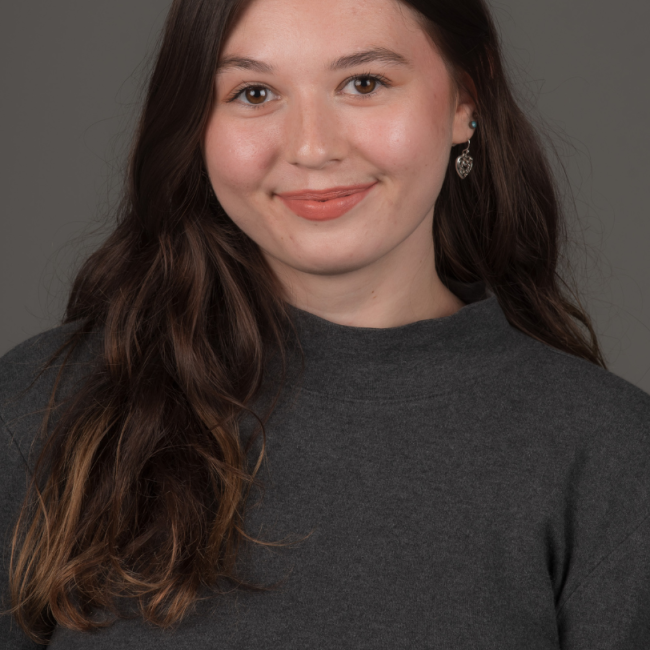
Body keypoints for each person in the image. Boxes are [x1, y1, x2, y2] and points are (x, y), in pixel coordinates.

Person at [1, 0, 649, 647]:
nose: (312, 146)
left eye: (363, 83)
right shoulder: (44, 408)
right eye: (254, 92)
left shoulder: (609, 454)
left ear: (463, 101)